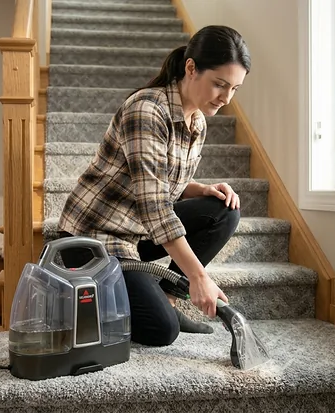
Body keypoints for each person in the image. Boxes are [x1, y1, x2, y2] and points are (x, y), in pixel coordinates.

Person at [57, 25, 251, 347]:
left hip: (138, 234)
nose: (226, 98)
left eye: (234, 89)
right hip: (95, 239)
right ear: (191, 68)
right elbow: (155, 205)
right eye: (220, 84)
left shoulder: (197, 121)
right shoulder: (147, 110)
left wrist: (201, 189)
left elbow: (161, 179)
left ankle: (167, 299)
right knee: (162, 331)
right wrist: (197, 276)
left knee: (223, 211)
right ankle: (137, 304)